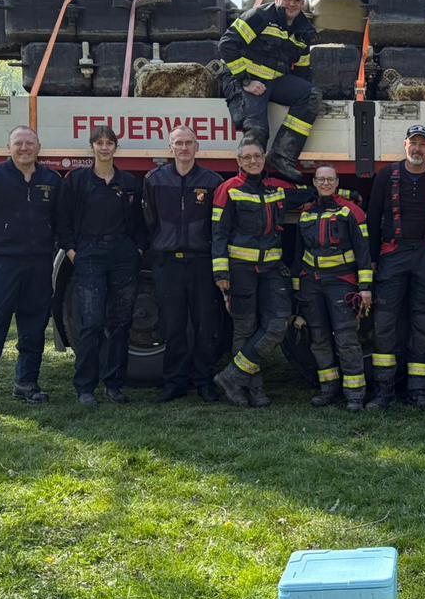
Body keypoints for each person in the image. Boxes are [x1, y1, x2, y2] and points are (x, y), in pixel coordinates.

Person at [0, 125, 61, 411]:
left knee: (34, 327)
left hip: (39, 263)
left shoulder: (51, 180)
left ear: (38, 148)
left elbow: (60, 219)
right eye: (19, 143)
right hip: (4, 263)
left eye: (30, 144)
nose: (24, 148)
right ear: (9, 148)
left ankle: (26, 384)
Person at [211, 136, 312, 407]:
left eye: (257, 156)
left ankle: (232, 376)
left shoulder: (275, 188)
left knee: (278, 324)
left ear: (264, 158)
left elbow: (309, 193)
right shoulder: (228, 189)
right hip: (240, 269)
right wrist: (221, 273)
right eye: (247, 157)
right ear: (238, 161)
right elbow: (218, 234)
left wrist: (348, 195)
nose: (253, 161)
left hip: (271, 270)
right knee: (244, 329)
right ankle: (252, 391)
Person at [366, 123, 425, 409]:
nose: (417, 148)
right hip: (392, 255)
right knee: (384, 324)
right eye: (413, 143)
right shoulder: (386, 177)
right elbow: (371, 220)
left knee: (424, 322)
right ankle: (384, 391)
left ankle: (418, 391)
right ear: (405, 145)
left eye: (423, 144)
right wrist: (370, 263)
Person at [55, 125, 148, 406]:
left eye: (110, 143)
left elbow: (140, 221)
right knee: (91, 323)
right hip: (89, 253)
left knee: (120, 323)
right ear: (92, 147)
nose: (105, 147)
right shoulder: (76, 181)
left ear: (116, 148)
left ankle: (114, 385)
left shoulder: (129, 182)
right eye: (100, 143)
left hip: (122, 254)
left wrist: (138, 248)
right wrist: (71, 251)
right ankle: (85, 387)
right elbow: (63, 218)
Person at [143, 126, 224, 402]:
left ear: (197, 147)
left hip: (201, 261)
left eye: (189, 143)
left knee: (205, 325)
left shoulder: (212, 181)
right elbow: (148, 220)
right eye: (179, 143)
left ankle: (203, 381)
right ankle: (174, 382)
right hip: (168, 263)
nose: (184, 148)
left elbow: (218, 226)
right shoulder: (154, 179)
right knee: (173, 325)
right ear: (170, 148)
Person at [217, 0, 320, 182]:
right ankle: (247, 181)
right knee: (257, 129)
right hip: (242, 78)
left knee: (311, 95)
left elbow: (302, 68)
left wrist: (299, 91)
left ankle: (282, 156)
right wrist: (246, 81)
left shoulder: (303, 30)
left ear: (302, 3)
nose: (292, 3)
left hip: (273, 80)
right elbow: (226, 45)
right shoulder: (259, 16)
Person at [296, 165, 372, 412]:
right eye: (321, 179)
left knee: (346, 338)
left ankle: (355, 395)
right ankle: (328, 389)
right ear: (315, 183)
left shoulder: (352, 212)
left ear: (338, 182)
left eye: (330, 179)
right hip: (312, 284)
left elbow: (363, 253)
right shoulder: (306, 213)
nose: (326, 183)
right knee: (318, 338)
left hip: (342, 283)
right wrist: (298, 290)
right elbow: (299, 254)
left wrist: (365, 288)